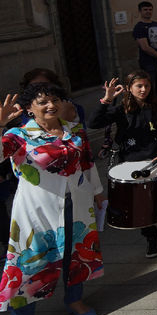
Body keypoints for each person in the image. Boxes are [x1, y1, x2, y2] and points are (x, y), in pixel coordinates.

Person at [0, 84, 104, 315]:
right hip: (36, 211)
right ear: (29, 108)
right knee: (31, 263)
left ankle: (74, 300)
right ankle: (23, 313)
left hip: (76, 203)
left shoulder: (74, 129)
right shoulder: (18, 136)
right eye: (43, 102)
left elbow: (87, 162)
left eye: (55, 100)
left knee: (76, 254)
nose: (51, 105)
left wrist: (97, 192)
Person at [90, 73, 157, 258]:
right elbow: (93, 122)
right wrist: (106, 100)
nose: (143, 90)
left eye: (147, 86)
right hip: (133, 164)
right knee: (143, 204)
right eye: (139, 86)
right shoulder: (121, 109)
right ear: (129, 88)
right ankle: (151, 237)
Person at [133, 0, 157, 100]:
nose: (148, 11)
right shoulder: (139, 27)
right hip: (149, 63)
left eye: (150, 9)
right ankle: (152, 107)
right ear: (140, 11)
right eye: (145, 10)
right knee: (149, 86)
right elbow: (144, 47)